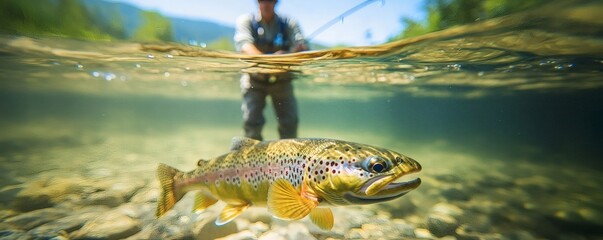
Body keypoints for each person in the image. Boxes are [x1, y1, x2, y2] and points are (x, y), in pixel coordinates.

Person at [234, 0, 308, 141]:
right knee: (251, 123)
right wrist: (272, 61)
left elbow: (302, 46)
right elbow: (244, 46)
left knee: (289, 124)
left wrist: (289, 54)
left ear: (276, 2)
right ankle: (252, 160)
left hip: (283, 81)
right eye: (262, 0)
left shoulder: (289, 23)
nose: (266, 3)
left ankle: (287, 160)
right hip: (254, 79)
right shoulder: (246, 21)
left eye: (271, 0)